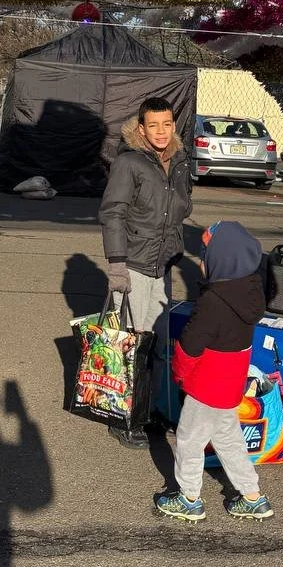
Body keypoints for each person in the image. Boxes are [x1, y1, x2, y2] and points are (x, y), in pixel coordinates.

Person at [155, 221, 274, 522]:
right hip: (230, 384)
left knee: (189, 440)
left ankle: (188, 497)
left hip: (206, 385)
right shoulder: (251, 292)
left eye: (205, 256)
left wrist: (179, 373)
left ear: (222, 260)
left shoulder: (213, 301)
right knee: (229, 440)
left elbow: (190, 345)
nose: (201, 262)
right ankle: (252, 496)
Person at [99, 96, 192, 448]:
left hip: (162, 265)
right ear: (141, 128)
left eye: (166, 124)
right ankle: (124, 416)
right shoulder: (129, 162)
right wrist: (116, 264)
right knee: (130, 343)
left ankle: (151, 408)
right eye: (153, 125)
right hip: (134, 264)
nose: (161, 131)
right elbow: (113, 212)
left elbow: (182, 207)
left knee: (156, 342)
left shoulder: (179, 160)